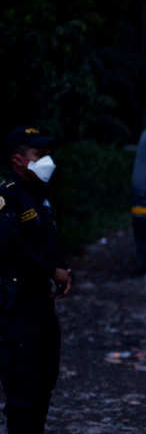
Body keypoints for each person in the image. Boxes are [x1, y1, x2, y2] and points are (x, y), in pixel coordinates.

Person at [0, 126, 72, 433]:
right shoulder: (8, 197)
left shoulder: (40, 197)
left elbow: (46, 243)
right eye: (39, 155)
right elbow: (10, 248)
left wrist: (61, 268)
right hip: (16, 309)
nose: (47, 161)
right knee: (23, 393)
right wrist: (50, 270)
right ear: (18, 160)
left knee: (44, 385)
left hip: (41, 306)